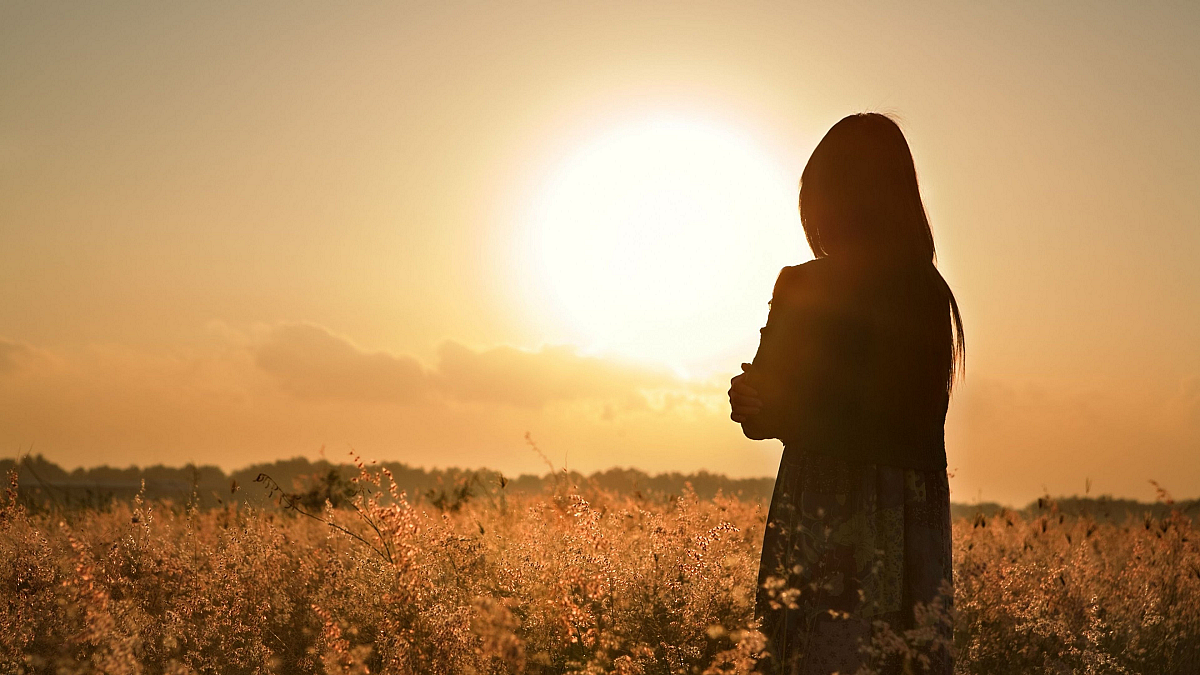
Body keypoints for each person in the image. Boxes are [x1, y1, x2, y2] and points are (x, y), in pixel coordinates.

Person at [728, 112, 964, 675]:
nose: (816, 208)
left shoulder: (920, 292)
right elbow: (771, 397)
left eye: (826, 189)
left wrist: (782, 409)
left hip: (877, 512)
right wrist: (751, 401)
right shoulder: (799, 283)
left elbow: (897, 421)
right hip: (822, 505)